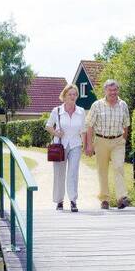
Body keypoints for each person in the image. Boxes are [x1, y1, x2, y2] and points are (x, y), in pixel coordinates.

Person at [85, 79, 130, 210]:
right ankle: (104, 199)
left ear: (118, 90)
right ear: (105, 91)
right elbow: (89, 126)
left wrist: (123, 140)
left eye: (115, 90)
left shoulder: (123, 105)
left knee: (119, 167)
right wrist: (89, 145)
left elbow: (126, 125)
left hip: (118, 141)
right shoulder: (97, 105)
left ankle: (122, 197)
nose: (113, 92)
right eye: (110, 90)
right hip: (101, 140)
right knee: (102, 170)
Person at [46, 84, 86, 212]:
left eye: (75, 94)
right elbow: (48, 126)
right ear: (64, 96)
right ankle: (59, 201)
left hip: (75, 144)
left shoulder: (81, 111)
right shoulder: (57, 110)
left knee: (73, 173)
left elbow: (83, 130)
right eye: (70, 94)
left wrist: (85, 145)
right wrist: (56, 133)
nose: (73, 96)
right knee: (59, 173)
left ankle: (73, 201)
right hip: (60, 146)